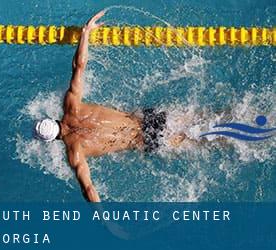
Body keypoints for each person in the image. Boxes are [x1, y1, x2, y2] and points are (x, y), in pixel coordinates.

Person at [34, 11, 186, 202]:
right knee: (202, 118)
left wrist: (106, 222)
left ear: (52, 140)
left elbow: (88, 189)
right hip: (148, 118)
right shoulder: (71, 105)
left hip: (147, 140)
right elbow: (79, 66)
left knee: (204, 141)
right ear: (52, 119)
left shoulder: (75, 152)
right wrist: (85, 33)